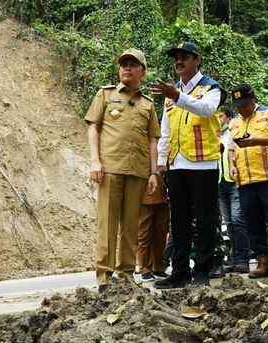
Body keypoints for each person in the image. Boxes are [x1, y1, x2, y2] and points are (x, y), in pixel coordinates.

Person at [151, 41, 226, 289]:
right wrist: (162, 161)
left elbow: (206, 110)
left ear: (197, 60)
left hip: (204, 164)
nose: (179, 60)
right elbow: (165, 128)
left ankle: (203, 270)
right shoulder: (171, 94)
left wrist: (178, 96)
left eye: (185, 56)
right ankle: (180, 270)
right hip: (178, 164)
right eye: (176, 57)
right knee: (179, 220)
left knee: (206, 219)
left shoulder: (211, 87)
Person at [85, 48, 161, 293]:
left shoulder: (147, 104)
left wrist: (153, 173)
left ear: (143, 72)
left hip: (138, 171)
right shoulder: (105, 95)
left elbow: (152, 140)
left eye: (133, 64)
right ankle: (104, 277)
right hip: (110, 168)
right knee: (107, 223)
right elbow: (93, 128)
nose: (127, 68)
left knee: (130, 225)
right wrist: (95, 161)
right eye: (124, 64)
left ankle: (126, 275)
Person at [228, 83, 268, 278]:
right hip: (245, 180)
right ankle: (263, 262)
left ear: (254, 99)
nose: (241, 108)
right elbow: (231, 146)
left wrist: (257, 140)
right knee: (252, 223)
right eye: (238, 105)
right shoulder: (234, 123)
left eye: (245, 104)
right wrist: (232, 164)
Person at [217, 107, 251, 275]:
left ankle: (244, 259)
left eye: (221, 116)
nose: (218, 119)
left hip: (234, 181)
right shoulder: (216, 135)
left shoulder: (233, 130)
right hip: (220, 183)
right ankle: (235, 259)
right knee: (229, 223)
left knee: (238, 220)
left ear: (228, 118)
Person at [137, 173, 170, 282]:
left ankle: (158, 267)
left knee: (160, 235)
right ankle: (145, 269)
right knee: (144, 234)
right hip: (146, 197)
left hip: (163, 197)